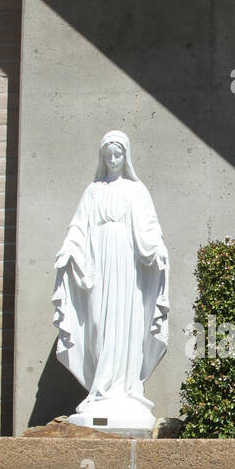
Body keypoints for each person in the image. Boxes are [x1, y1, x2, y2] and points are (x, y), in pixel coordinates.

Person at [52, 130, 169, 426]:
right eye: (109, 156)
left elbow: (149, 227)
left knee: (126, 321)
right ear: (102, 158)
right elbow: (78, 226)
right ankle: (101, 389)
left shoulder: (136, 191)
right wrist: (69, 249)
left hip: (128, 265)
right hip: (98, 264)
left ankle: (126, 387)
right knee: (96, 323)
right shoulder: (93, 191)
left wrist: (157, 249)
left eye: (118, 155)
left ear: (126, 157)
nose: (114, 160)